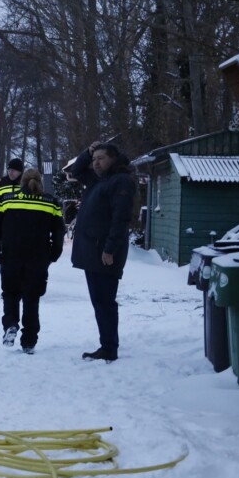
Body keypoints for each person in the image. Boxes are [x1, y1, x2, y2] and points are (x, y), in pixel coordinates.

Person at [65, 142, 136, 362]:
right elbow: (75, 171)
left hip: (104, 253)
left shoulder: (121, 181)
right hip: (92, 251)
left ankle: (109, 347)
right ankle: (107, 344)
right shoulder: (98, 180)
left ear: (114, 159)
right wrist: (86, 152)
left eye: (101, 158)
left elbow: (120, 218)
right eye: (94, 159)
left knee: (104, 301)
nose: (96, 162)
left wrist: (110, 249)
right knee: (99, 300)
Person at [0, 167, 65, 354]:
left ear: (22, 182)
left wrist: (2, 240)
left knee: (10, 294)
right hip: (38, 258)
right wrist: (53, 254)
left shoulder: (8, 200)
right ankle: (29, 341)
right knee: (32, 299)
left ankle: (10, 323)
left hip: (11, 256)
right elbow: (59, 232)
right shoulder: (51, 202)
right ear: (40, 182)